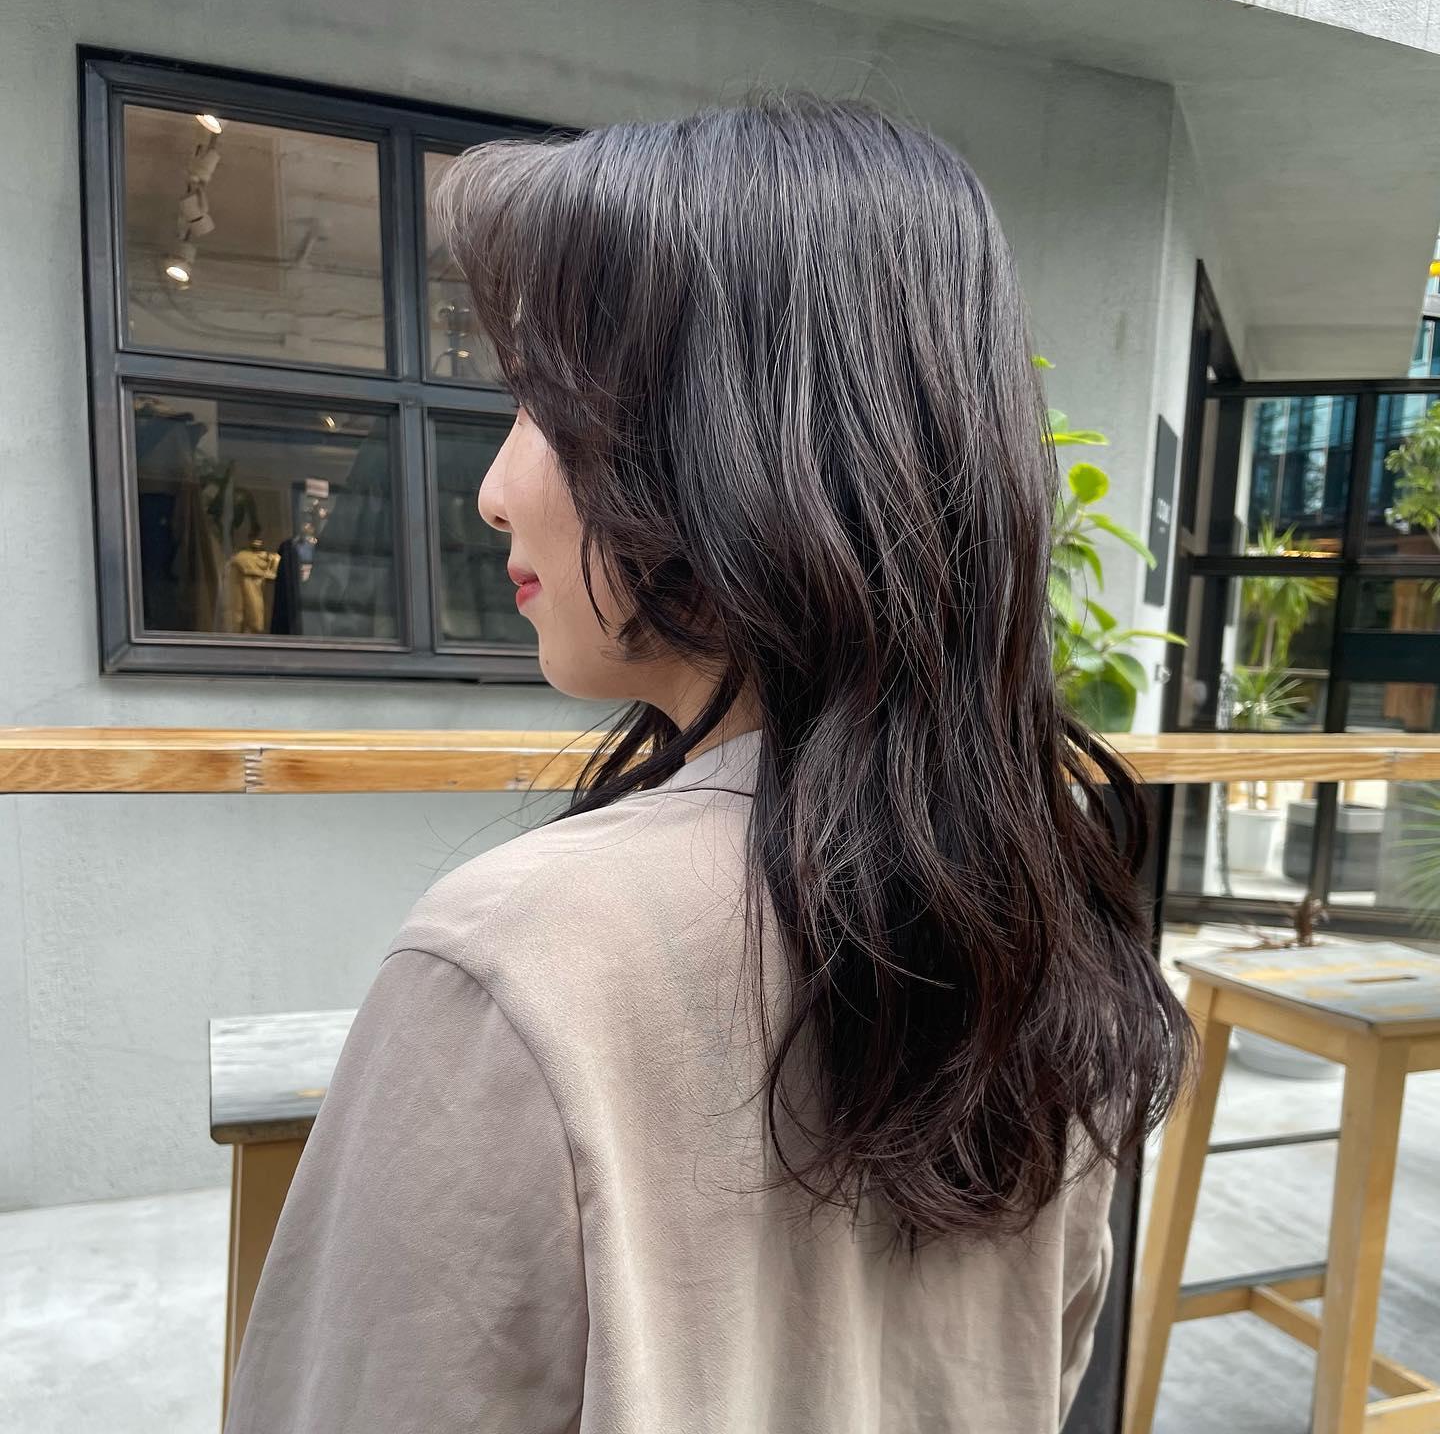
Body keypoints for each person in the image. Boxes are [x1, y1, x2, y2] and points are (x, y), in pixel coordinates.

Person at [223, 95, 1192, 1434]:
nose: (494, 489)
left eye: (539, 403)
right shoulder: (1048, 921)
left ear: (726, 450)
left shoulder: (513, 963)